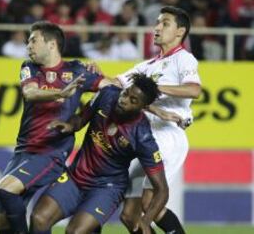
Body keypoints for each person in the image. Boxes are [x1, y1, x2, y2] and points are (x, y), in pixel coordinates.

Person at [0, 21, 109, 234]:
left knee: (6, 190)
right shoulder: (29, 67)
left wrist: (101, 75)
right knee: (2, 224)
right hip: (24, 151)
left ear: (51, 44)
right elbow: (30, 93)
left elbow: (112, 88)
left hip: (50, 151)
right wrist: (60, 93)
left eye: (33, 40)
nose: (28, 46)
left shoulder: (77, 70)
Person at [30, 74, 169, 234]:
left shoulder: (142, 136)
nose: (124, 100)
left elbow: (162, 189)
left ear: (143, 107)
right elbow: (81, 118)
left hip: (107, 188)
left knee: (75, 232)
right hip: (75, 177)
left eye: (133, 101)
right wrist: (70, 125)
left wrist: (146, 220)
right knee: (39, 219)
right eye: (126, 93)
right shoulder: (107, 95)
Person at [114, 6, 201, 234]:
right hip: (145, 137)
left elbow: (194, 90)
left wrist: (152, 88)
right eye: (157, 22)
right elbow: (115, 83)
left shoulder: (184, 59)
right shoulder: (147, 66)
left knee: (148, 202)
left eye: (165, 23)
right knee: (128, 215)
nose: (157, 28)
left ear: (180, 32)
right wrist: (89, 77)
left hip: (167, 136)